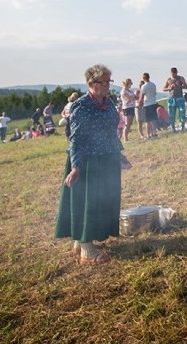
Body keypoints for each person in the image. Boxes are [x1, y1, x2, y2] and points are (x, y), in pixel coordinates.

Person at [54, 64, 123, 265]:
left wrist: (120, 154)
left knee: (102, 200)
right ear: (91, 83)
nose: (108, 85)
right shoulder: (81, 106)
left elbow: (111, 131)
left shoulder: (107, 102)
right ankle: (87, 251)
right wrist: (76, 167)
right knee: (88, 202)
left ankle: (80, 242)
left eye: (109, 81)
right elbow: (75, 139)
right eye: (104, 82)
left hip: (108, 157)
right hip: (88, 161)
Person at [163, 67, 187, 132]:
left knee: (182, 112)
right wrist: (169, 88)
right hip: (171, 98)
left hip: (180, 98)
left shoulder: (180, 78)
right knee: (171, 114)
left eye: (175, 73)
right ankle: (173, 128)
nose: (174, 74)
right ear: (171, 73)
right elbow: (164, 88)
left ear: (177, 72)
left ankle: (183, 127)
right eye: (172, 73)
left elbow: (186, 86)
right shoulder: (169, 79)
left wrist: (180, 86)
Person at [139, 73, 158, 139]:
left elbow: (142, 96)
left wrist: (139, 104)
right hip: (153, 102)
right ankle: (154, 133)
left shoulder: (144, 86)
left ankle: (148, 134)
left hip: (147, 104)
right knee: (153, 119)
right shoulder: (153, 85)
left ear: (143, 78)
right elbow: (155, 93)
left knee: (147, 120)